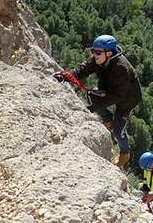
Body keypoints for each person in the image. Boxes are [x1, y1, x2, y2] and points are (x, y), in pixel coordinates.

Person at [55, 35, 142, 167]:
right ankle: (108, 120)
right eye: (94, 51)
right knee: (92, 94)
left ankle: (125, 153)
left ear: (109, 52)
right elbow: (83, 69)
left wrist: (91, 108)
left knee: (119, 131)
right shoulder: (99, 59)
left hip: (127, 100)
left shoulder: (121, 67)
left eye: (98, 52)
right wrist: (66, 77)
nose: (95, 55)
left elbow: (116, 96)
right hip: (110, 90)